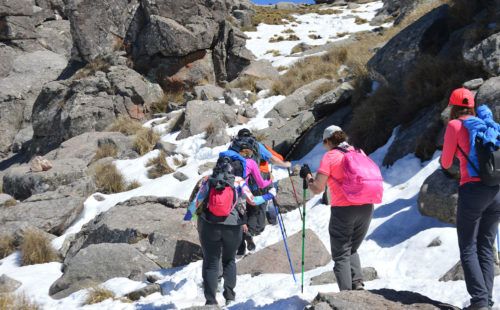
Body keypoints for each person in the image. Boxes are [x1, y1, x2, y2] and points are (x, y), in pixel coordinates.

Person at [183, 157, 276, 306]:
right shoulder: (238, 181)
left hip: (210, 226)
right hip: (233, 227)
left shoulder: (208, 180)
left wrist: (186, 218)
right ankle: (230, 298)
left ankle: (211, 302)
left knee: (211, 263)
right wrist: (270, 194)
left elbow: (196, 202)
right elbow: (252, 200)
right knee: (229, 260)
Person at [441, 88, 500, 310]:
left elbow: (446, 163)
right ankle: (487, 299)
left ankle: (479, 302)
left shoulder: (455, 125)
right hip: (496, 190)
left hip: (473, 189)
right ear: (472, 105)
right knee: (485, 246)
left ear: (453, 107)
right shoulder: (486, 125)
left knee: (468, 247)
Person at [299, 125, 374, 291]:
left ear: (327, 141)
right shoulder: (359, 152)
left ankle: (346, 296)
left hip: (344, 210)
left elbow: (318, 188)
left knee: (341, 254)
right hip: (367, 206)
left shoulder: (330, 156)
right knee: (352, 248)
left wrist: (308, 176)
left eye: (324, 142)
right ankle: (357, 285)